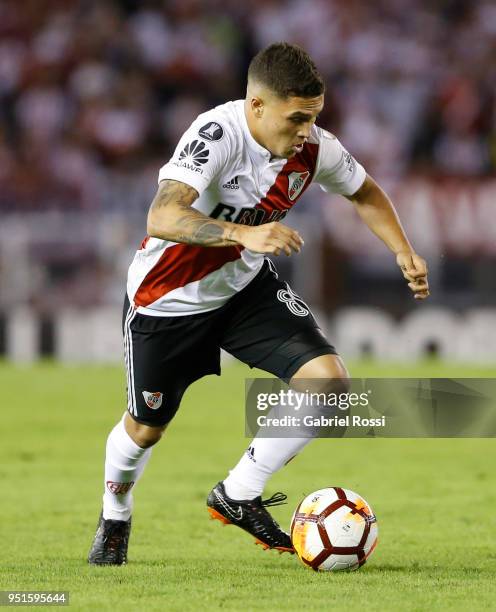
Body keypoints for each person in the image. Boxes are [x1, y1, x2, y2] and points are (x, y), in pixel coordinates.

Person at [88, 42, 429, 565]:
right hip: (168, 301)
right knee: (144, 429)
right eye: (296, 119)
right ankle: (116, 512)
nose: (305, 132)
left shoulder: (315, 148)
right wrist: (239, 234)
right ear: (257, 107)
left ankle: (239, 491)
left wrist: (403, 251)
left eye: (313, 119)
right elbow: (161, 216)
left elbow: (365, 193)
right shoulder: (216, 134)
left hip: (244, 292)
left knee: (329, 383)